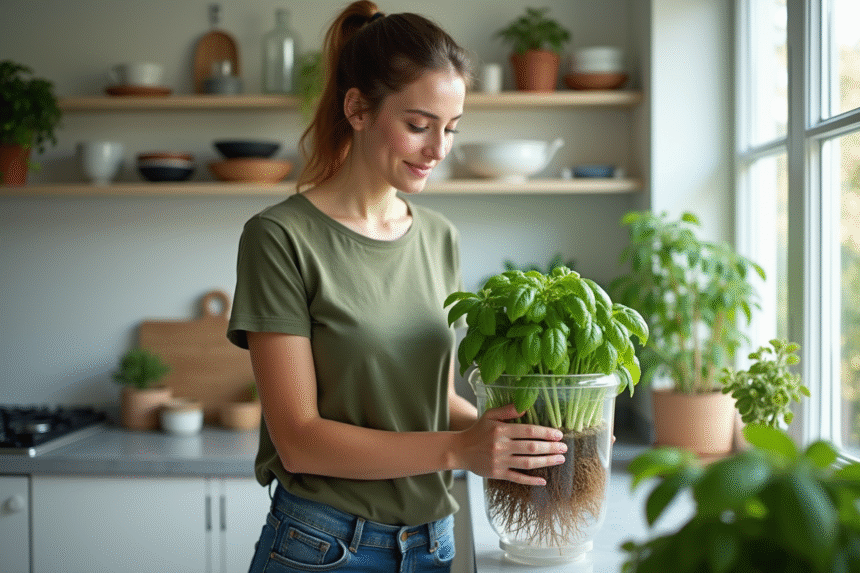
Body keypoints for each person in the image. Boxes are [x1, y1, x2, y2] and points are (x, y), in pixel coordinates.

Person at [227, 2, 567, 571]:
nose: (438, 150)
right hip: (323, 546)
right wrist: (461, 448)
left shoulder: (439, 236)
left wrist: (543, 433)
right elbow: (299, 439)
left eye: (451, 129)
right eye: (418, 125)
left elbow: (427, 401)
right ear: (357, 108)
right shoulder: (280, 238)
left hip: (433, 544)